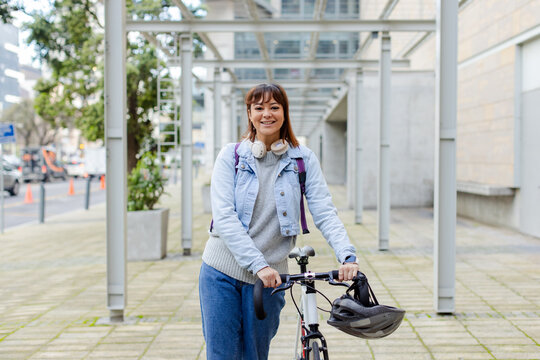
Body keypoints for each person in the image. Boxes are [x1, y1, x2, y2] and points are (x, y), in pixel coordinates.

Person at [199, 83, 358, 360]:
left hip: (270, 280)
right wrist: (258, 264)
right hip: (221, 272)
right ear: (249, 114)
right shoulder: (231, 156)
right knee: (222, 355)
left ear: (284, 112)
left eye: (274, 107)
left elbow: (324, 211)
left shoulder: (303, 160)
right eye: (258, 108)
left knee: (256, 355)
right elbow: (224, 218)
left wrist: (347, 256)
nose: (266, 114)